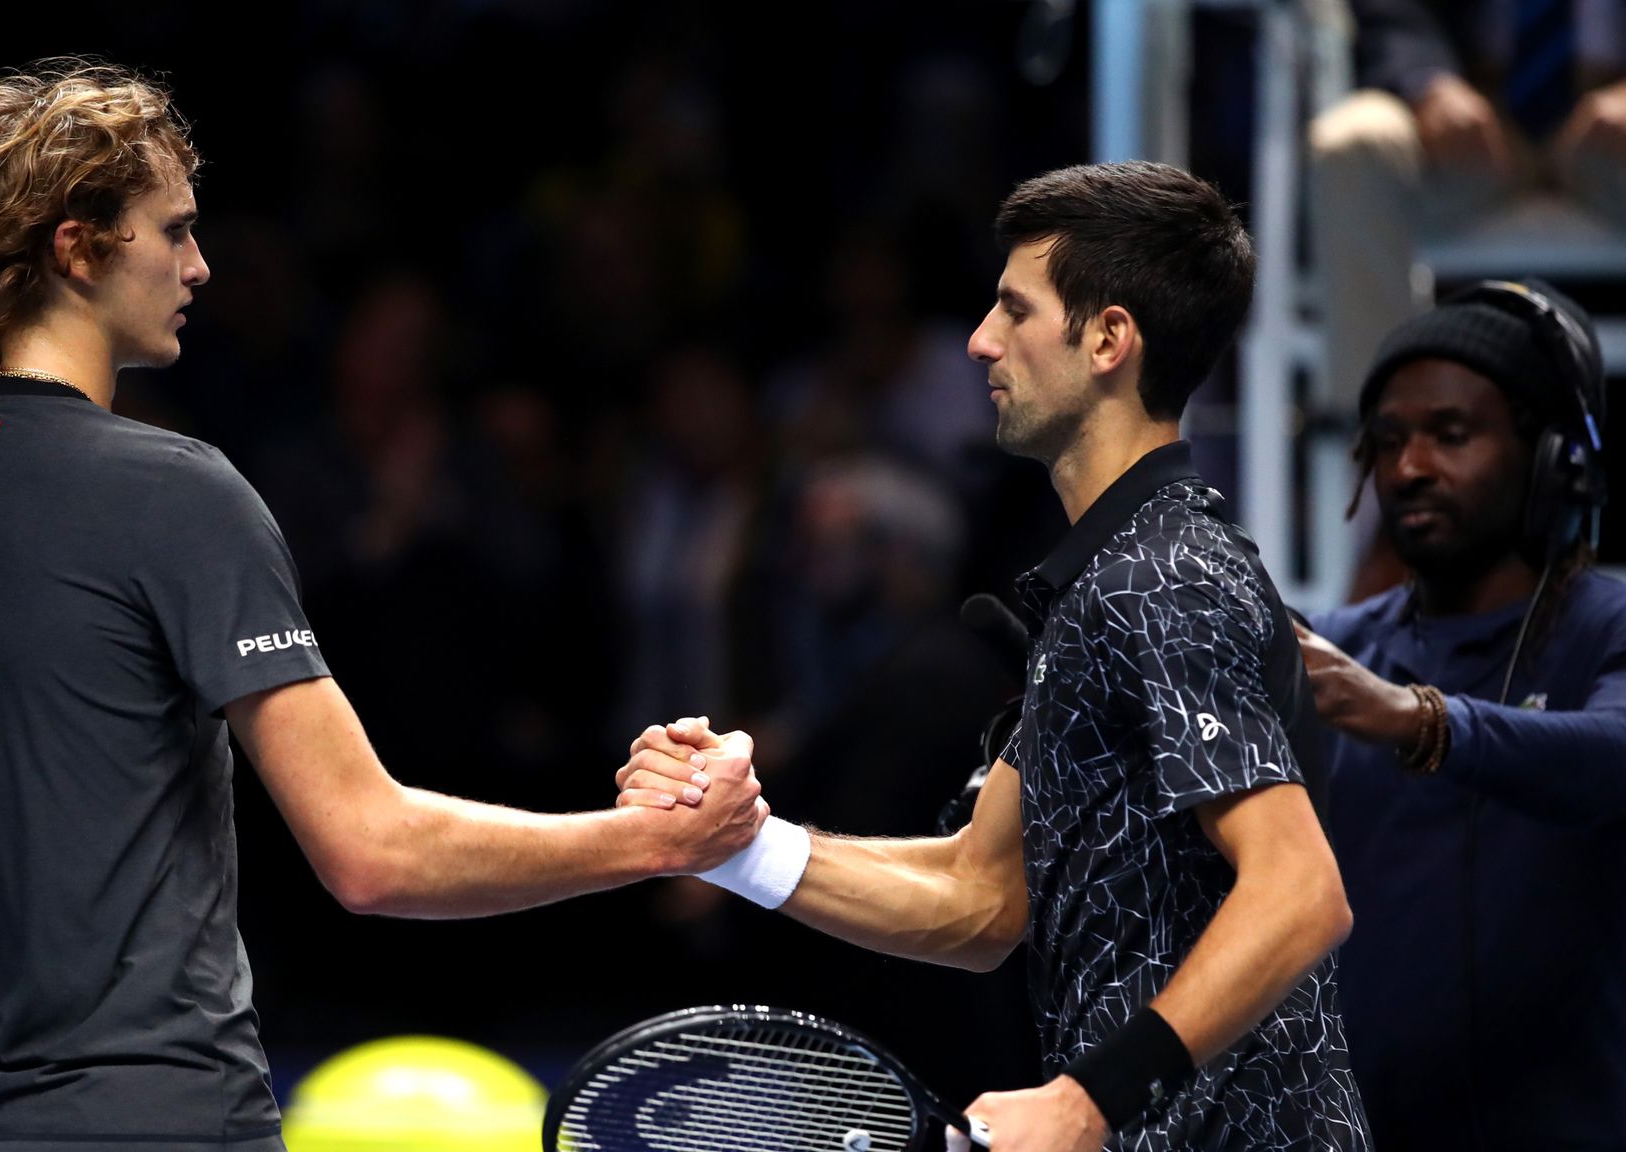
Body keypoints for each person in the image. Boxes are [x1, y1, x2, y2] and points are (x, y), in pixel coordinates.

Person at [0, 58, 766, 1152]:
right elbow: (370, 851)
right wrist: (650, 842)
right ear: (75, 247)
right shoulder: (178, 491)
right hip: (177, 1122)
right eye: (172, 231)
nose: (201, 266)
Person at [620, 161, 1371, 1151]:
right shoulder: (1104, 582)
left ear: (1107, 339)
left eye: (1013, 309)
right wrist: (738, 844)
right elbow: (979, 897)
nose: (978, 339)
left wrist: (1082, 1101)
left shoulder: (1163, 579)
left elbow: (1298, 891)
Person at [1295, 279, 1626, 1151]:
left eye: (1451, 435)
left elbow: (1613, 755)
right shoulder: (1335, 652)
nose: (1409, 469)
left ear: (1553, 458)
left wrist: (1420, 720)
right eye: (1390, 442)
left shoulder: (1608, 626)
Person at [1309, 0, 1626, 414]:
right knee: (1351, 145)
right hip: (1469, 115)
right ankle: (1382, 433)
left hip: (1610, 131)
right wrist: (1427, 81)